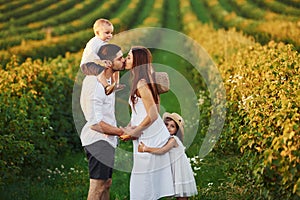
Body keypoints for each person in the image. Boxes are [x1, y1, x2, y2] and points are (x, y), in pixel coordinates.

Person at [120, 46, 174, 200]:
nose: (125, 60)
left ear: (137, 62)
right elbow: (139, 111)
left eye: (129, 57)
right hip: (145, 134)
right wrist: (130, 127)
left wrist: (136, 131)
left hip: (150, 136)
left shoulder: (141, 84)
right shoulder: (139, 80)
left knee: (144, 183)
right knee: (146, 182)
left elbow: (153, 114)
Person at [80, 44, 125, 200]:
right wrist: (120, 132)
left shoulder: (106, 82)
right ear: (109, 63)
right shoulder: (94, 83)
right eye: (120, 58)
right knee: (97, 188)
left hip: (106, 140)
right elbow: (95, 122)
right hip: (98, 140)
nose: (124, 60)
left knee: (106, 183)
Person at [138, 112, 198, 200]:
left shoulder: (173, 140)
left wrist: (146, 148)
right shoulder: (166, 138)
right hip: (174, 168)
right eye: (166, 124)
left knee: (182, 194)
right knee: (179, 194)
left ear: (176, 130)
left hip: (180, 170)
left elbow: (162, 150)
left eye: (172, 126)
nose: (168, 127)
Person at [80, 18, 123, 95]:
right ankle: (107, 87)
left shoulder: (104, 42)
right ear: (97, 33)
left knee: (116, 67)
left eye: (111, 33)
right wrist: (101, 62)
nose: (110, 35)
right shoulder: (94, 42)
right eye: (107, 33)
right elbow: (92, 55)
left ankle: (115, 84)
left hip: (100, 62)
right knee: (100, 71)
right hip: (88, 64)